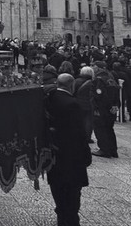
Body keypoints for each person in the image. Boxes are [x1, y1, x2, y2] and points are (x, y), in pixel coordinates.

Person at [45, 74, 91, 226]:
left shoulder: (50, 97)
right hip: (71, 155)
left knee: (58, 189)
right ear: (71, 86)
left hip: (54, 154)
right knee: (72, 195)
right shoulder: (72, 104)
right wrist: (86, 155)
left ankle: (61, 216)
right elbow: (79, 133)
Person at [91, 61, 119, 158]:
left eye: (93, 66)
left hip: (102, 109)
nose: (92, 68)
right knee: (109, 129)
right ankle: (113, 149)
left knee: (100, 129)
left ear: (98, 68)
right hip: (112, 108)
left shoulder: (98, 80)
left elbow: (99, 95)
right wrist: (115, 106)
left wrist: (97, 107)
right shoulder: (111, 79)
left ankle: (104, 149)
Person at [73, 66, 95, 143]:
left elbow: (73, 92)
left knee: (79, 121)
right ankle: (87, 137)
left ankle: (78, 136)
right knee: (89, 122)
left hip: (78, 103)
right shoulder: (94, 82)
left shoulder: (76, 81)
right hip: (89, 103)